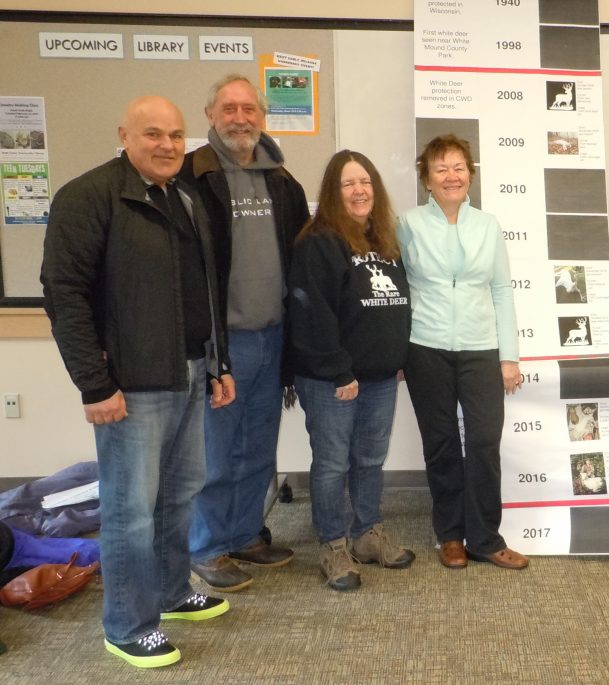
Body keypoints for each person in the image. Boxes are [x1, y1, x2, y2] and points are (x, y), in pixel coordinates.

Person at [41, 96, 234, 668]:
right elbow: (64, 293)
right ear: (124, 134)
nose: (169, 145)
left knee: (178, 496)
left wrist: (219, 363)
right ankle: (127, 625)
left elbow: (204, 292)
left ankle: (173, 593)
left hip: (192, 371)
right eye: (154, 134)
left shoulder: (186, 198)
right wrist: (94, 385)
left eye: (176, 135)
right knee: (130, 509)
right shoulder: (89, 196)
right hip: (132, 385)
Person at [179, 74, 309, 592]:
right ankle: (206, 547)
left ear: (262, 115)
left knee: (258, 446)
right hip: (221, 344)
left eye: (249, 108)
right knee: (216, 451)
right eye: (229, 108)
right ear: (209, 114)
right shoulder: (192, 176)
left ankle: (245, 534)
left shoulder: (282, 180)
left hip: (272, 336)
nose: (240, 117)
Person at [398, 134, 528, 570]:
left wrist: (507, 357)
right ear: (427, 180)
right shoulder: (408, 224)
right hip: (425, 348)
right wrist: (397, 353)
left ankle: (486, 538)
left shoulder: (487, 225)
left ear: (470, 174)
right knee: (441, 444)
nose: (451, 176)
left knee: (485, 442)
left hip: (481, 349)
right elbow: (399, 292)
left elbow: (503, 290)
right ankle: (450, 535)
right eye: (441, 169)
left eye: (459, 167)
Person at [289, 150, 415, 592]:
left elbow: (397, 305)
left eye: (365, 182)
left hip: (380, 376)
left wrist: (396, 357)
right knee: (331, 464)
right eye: (348, 183)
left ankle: (366, 534)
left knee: (369, 458)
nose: (359, 190)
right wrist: (340, 372)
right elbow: (312, 314)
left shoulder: (385, 240)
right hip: (332, 379)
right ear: (332, 191)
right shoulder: (319, 241)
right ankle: (333, 543)